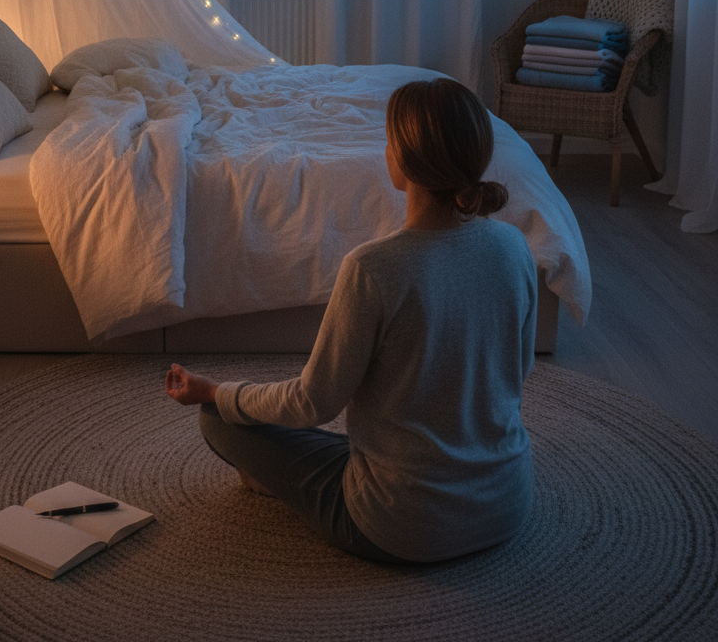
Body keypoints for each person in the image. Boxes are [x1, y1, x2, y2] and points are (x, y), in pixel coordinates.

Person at [164, 77, 537, 564]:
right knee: (324, 438)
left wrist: (216, 391)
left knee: (220, 420)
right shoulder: (514, 247)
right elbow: (518, 371)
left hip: (402, 523)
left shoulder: (373, 268)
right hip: (507, 503)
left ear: (404, 160)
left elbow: (312, 402)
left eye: (389, 140)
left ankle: (288, 481)